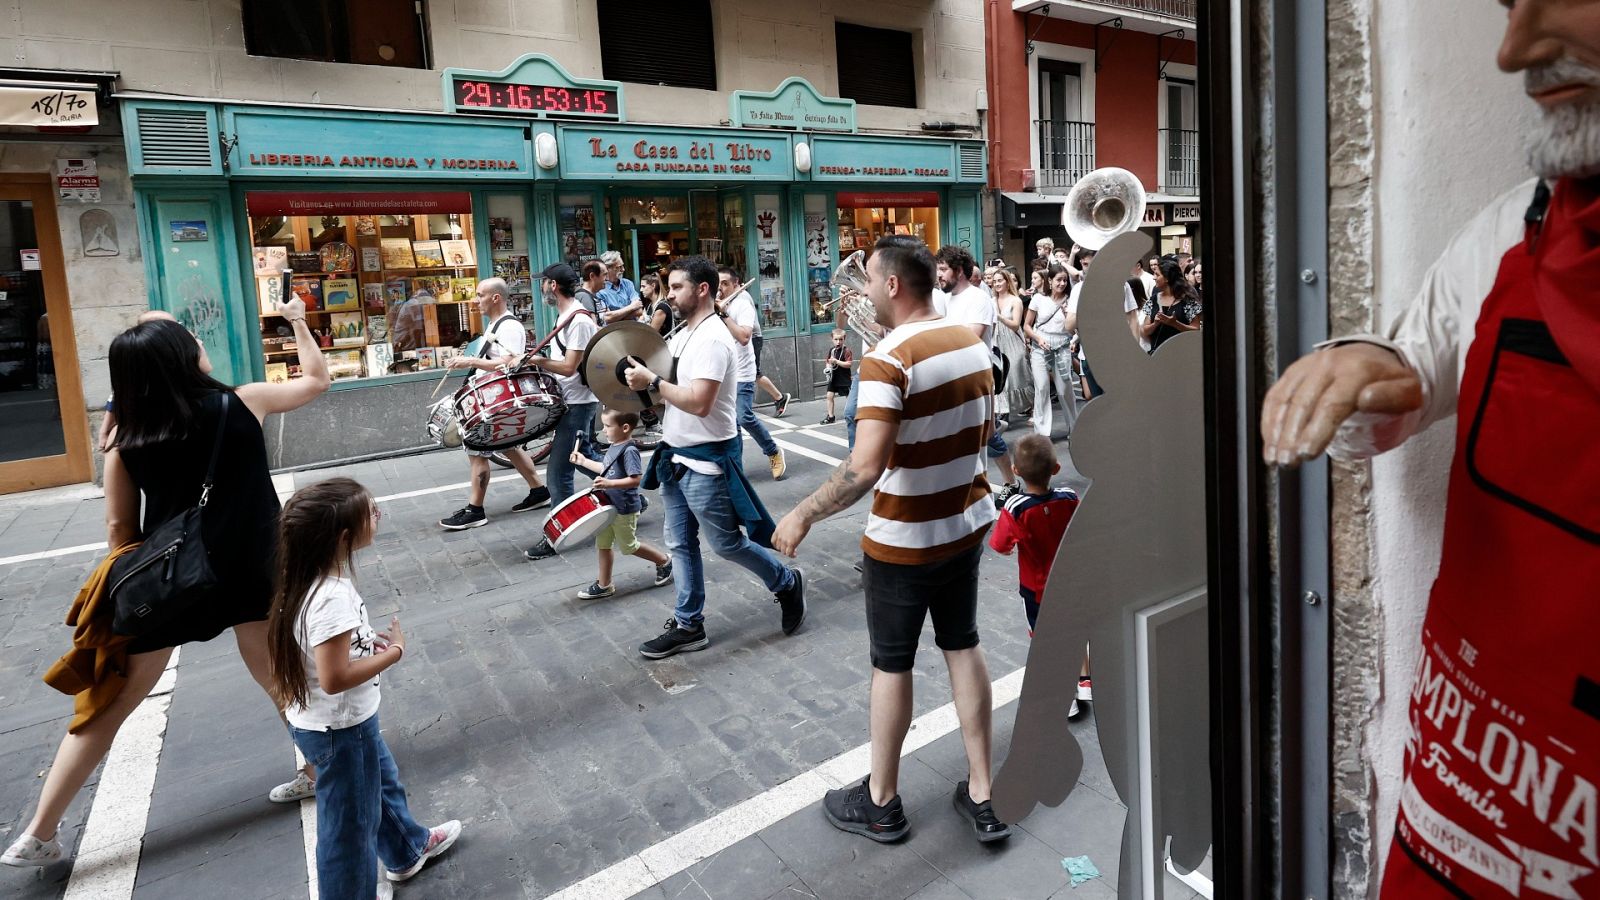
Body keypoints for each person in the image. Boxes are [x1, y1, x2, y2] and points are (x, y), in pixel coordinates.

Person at [1262, 9, 1600, 897]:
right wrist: (1364, 369)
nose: (1513, 52)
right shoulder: (1517, 225)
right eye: (1510, 8)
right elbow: (1412, 369)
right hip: (1450, 815)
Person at [2, 305, 331, 868]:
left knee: (110, 703)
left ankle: (39, 832)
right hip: (252, 567)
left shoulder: (126, 438)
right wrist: (298, 321)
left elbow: (119, 530)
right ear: (182, 358)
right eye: (191, 337)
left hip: (173, 577)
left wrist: (144, 584)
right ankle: (322, 768)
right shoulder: (241, 402)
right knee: (279, 677)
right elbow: (317, 381)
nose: (200, 341)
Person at [773, 234, 1008, 846]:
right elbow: (976, 430)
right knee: (963, 644)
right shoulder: (970, 341)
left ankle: (881, 801)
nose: (865, 290)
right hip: (965, 524)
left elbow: (863, 468)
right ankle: (983, 791)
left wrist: (801, 514)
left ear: (895, 285)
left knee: (892, 664)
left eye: (870, 280)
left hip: (904, 539)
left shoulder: (887, 359)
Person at [267, 478, 461, 899]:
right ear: (343, 537)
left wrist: (364, 643)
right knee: (349, 829)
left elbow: (325, 652)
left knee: (381, 784)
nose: (378, 516)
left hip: (331, 723)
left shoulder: (307, 579)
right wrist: (395, 652)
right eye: (370, 513)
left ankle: (406, 849)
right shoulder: (330, 597)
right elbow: (335, 678)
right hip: (340, 729)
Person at [621, 256, 806, 658]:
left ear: (701, 289)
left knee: (725, 544)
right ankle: (689, 624)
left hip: (707, 462)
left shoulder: (713, 340)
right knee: (679, 543)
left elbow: (700, 403)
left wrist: (652, 381)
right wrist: (638, 385)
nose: (669, 296)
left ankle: (786, 582)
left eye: (676, 288)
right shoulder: (681, 335)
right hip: (675, 457)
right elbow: (668, 393)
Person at [986, 433, 1089, 719]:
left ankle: (1064, 697)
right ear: (1056, 468)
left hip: (1036, 589)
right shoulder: (1069, 498)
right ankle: (1085, 681)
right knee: (1073, 630)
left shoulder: (1017, 508)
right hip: (1069, 582)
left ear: (1016, 471)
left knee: (1046, 642)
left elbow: (1000, 545)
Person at [437, 279, 550, 531]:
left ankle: (475, 510)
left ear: (495, 297)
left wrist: (470, 362)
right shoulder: (496, 324)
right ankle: (539, 491)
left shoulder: (508, 326)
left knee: (477, 450)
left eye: (480, 295)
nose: (476, 300)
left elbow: (508, 362)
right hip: (493, 397)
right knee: (508, 446)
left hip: (494, 399)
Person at [522, 263, 601, 561]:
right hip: (570, 400)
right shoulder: (566, 315)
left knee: (558, 473)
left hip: (578, 403)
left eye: (543, 282)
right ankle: (628, 494)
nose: (541, 287)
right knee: (584, 457)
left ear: (553, 285)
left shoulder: (578, 320)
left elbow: (569, 367)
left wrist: (536, 361)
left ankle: (559, 533)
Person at [936, 245, 1019, 504]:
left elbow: (971, 338)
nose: (938, 275)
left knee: (987, 435)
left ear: (959, 271)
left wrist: (934, 342)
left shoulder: (978, 298)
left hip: (977, 376)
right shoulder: (944, 298)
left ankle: (1010, 483)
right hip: (952, 376)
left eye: (943, 269)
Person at [567, 409, 673, 599]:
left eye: (608, 426)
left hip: (624, 508)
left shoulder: (629, 451)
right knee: (603, 544)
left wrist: (610, 484)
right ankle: (604, 584)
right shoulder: (615, 446)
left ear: (624, 428)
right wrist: (583, 461)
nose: (603, 430)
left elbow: (636, 479)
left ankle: (664, 561)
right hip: (608, 506)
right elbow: (605, 468)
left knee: (629, 546)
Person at [715, 266, 787, 480]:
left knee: (743, 416)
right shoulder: (717, 304)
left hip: (742, 371)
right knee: (730, 422)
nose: (721, 288)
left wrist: (723, 314)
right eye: (718, 283)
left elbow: (745, 336)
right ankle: (736, 467)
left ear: (736, 284)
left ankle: (772, 450)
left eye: (725, 283)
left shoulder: (742, 303)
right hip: (722, 372)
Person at [97, 309, 179, 451]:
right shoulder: (139, 357)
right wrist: (104, 430)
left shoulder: (183, 350)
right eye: (171, 326)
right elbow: (118, 394)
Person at [1023, 266, 1078, 439]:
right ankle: (1042, 432)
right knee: (1042, 387)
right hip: (1040, 346)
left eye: (1065, 280)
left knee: (1064, 388)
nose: (1062, 283)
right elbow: (1027, 326)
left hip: (1062, 346)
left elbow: (1074, 329)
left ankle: (1074, 428)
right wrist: (1037, 339)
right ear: (1050, 280)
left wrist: (1068, 315)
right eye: (1058, 280)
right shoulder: (1039, 298)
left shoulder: (1071, 301)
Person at [1138, 255, 1204, 354]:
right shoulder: (1153, 300)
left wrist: (1175, 323)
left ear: (1167, 278)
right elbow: (1144, 331)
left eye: (1157, 275)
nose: (1154, 278)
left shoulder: (1187, 300)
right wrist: (1155, 324)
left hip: (1182, 354)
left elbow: (1195, 330)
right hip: (1158, 355)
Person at [597, 250, 644, 324]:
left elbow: (639, 311)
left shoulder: (628, 284)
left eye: (623, 266)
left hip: (632, 328)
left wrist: (615, 316)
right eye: (619, 267)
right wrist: (632, 307)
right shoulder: (600, 290)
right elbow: (607, 318)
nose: (623, 269)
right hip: (614, 330)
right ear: (607, 269)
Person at [820, 328, 853, 424]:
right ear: (832, 339)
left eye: (841, 339)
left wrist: (837, 361)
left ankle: (851, 414)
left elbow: (849, 364)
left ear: (844, 339)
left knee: (848, 397)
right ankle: (831, 416)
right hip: (833, 377)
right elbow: (828, 361)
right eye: (836, 339)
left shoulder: (847, 351)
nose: (838, 342)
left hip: (843, 377)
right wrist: (828, 368)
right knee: (829, 396)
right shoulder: (832, 350)